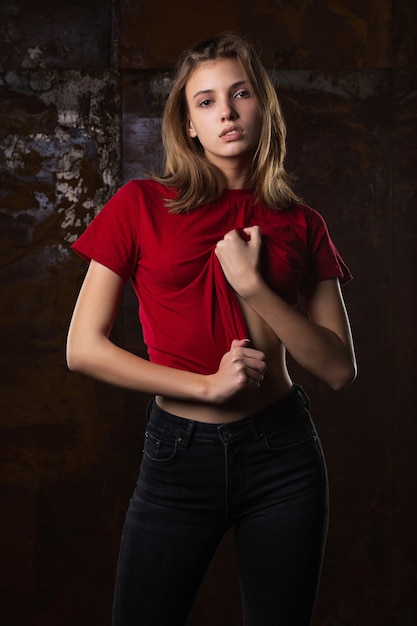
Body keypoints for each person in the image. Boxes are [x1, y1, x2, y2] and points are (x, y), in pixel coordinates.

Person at [66, 31, 356, 626]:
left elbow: (337, 368)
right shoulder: (139, 205)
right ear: (189, 124)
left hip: (283, 457)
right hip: (178, 454)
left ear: (262, 106)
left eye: (240, 93)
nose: (225, 112)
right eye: (205, 101)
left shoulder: (302, 222)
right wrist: (204, 387)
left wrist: (254, 288)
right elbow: (82, 349)